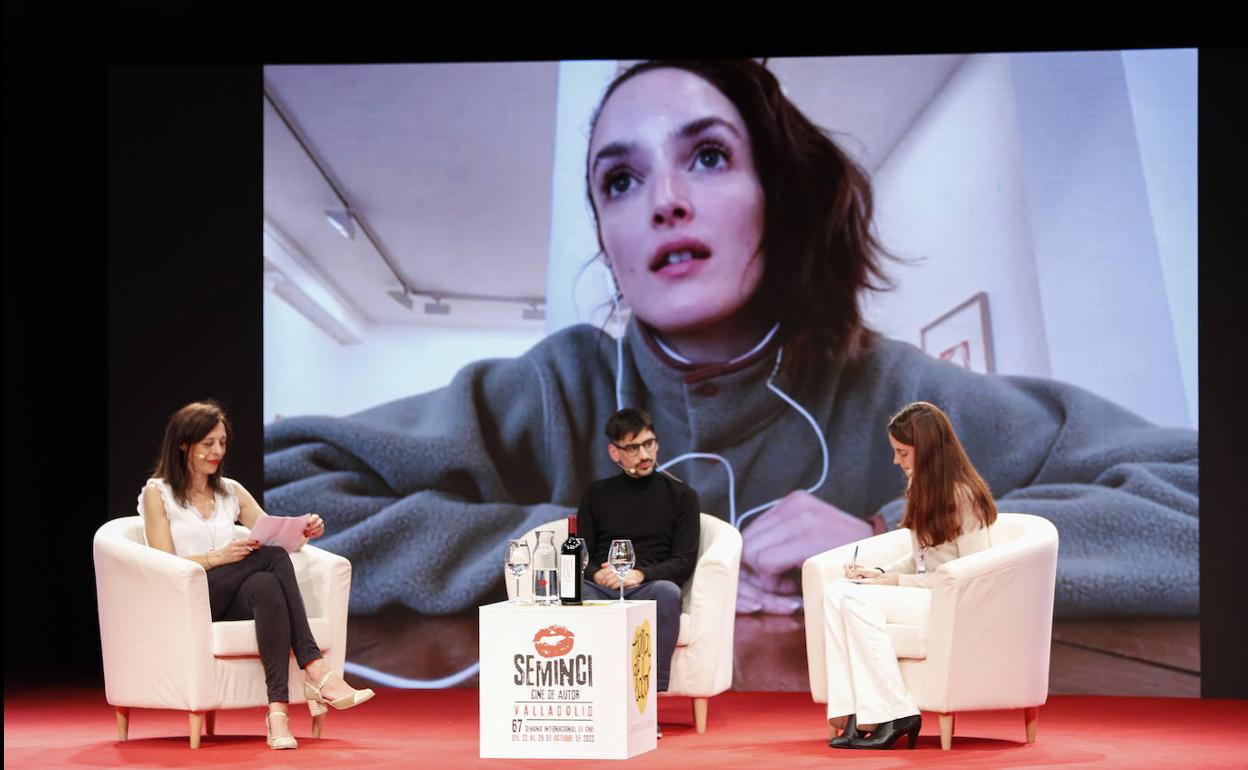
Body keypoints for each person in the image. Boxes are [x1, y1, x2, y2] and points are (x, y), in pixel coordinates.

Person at [263, 60, 1197, 632]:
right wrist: (580, 552)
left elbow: (1200, 505)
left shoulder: (905, 395)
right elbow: (260, 498)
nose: (664, 198)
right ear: (612, 243)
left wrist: (906, 542)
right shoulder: (556, 390)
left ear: (777, 195)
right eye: (620, 180)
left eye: (707, 156)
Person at [138, 401, 374, 750]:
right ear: (183, 444)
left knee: (266, 583)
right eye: (208, 444)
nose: (217, 451)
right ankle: (318, 671)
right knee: (271, 561)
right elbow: (162, 562)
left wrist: (306, 530)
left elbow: (274, 536)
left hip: (232, 596)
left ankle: (277, 713)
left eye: (221, 442)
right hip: (190, 597)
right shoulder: (159, 493)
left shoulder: (230, 491)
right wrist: (216, 557)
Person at [824, 402, 995, 750]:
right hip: (925, 594)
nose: (896, 461)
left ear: (928, 451)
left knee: (854, 600)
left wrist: (897, 582)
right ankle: (854, 711)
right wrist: (881, 572)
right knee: (836, 592)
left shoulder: (964, 496)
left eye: (902, 452)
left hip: (950, 602)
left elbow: (970, 574)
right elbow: (925, 554)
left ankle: (895, 712)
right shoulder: (924, 488)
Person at [576, 407, 700, 703]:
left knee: (668, 593)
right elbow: (580, 549)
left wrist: (640, 574)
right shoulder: (596, 494)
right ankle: (592, 696)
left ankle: (646, 699)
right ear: (614, 452)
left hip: (648, 584)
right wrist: (596, 573)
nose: (644, 455)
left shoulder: (682, 497)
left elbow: (684, 560)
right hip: (603, 585)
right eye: (633, 448)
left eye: (649, 444)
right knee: (574, 592)